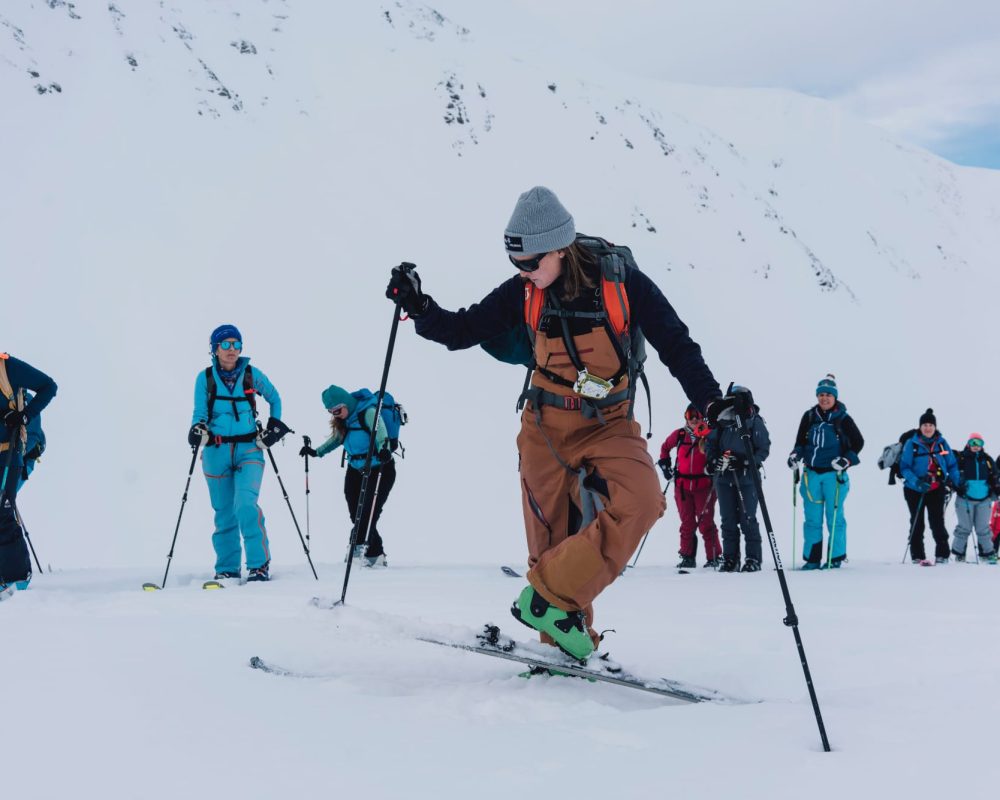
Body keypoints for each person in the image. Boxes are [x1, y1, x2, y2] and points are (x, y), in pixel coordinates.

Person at [385, 186, 722, 660]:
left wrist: (712, 402)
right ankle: (563, 654)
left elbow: (677, 345)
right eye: (516, 264)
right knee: (550, 544)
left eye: (530, 263)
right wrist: (419, 306)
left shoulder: (624, 284)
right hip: (544, 425)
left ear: (560, 248)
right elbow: (462, 330)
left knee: (643, 500)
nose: (523, 273)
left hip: (609, 424)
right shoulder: (525, 290)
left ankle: (543, 598)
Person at [189, 325, 287, 583]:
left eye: (236, 344)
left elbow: (275, 398)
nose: (232, 349)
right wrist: (197, 428)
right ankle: (227, 568)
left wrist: (274, 426)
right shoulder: (206, 378)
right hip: (215, 451)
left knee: (244, 504)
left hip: (250, 449)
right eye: (226, 344)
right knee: (223, 512)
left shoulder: (252, 375)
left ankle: (259, 564)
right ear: (215, 348)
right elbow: (200, 411)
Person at [299, 385, 397, 568]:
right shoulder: (344, 421)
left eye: (337, 409)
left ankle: (357, 548)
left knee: (368, 512)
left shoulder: (368, 412)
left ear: (347, 403)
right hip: (355, 469)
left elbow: (381, 432)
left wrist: (384, 449)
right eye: (331, 411)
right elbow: (336, 439)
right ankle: (376, 555)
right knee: (355, 513)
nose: (335, 414)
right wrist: (315, 452)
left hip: (379, 468)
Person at [786, 375, 864, 569]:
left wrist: (846, 460)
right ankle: (812, 560)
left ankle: (834, 559)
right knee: (812, 519)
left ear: (835, 397)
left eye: (828, 395)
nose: (824, 398)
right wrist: (795, 455)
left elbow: (858, 443)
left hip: (834, 476)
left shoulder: (843, 419)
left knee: (835, 518)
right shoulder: (810, 416)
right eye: (821, 395)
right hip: (811, 474)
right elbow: (800, 443)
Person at [0, 353, 57, 591]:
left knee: (1, 509)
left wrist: (23, 416)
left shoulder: (7, 367)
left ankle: (17, 578)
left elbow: (49, 386)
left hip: (9, 452)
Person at [704, 386, 770, 573]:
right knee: (728, 520)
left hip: (748, 478)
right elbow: (711, 443)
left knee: (748, 518)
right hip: (724, 477)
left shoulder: (753, 421)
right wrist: (714, 460)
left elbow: (763, 448)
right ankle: (730, 558)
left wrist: (745, 461)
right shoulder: (722, 420)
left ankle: (753, 558)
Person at [658, 403, 721, 568]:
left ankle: (714, 557)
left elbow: (719, 451)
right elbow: (665, 448)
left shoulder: (709, 435)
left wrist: (714, 465)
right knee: (687, 523)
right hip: (682, 486)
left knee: (706, 522)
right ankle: (687, 557)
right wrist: (666, 466)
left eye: (697, 415)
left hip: (704, 485)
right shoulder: (679, 434)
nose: (693, 419)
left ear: (702, 417)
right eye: (689, 415)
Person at [898, 409, 960, 564]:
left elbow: (952, 465)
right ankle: (917, 555)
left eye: (931, 425)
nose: (928, 428)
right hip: (914, 489)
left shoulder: (942, 443)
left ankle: (943, 555)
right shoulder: (912, 443)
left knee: (937, 522)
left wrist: (957, 482)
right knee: (917, 522)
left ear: (935, 426)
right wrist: (917, 482)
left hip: (936, 487)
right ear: (920, 426)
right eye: (925, 424)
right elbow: (904, 467)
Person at [951, 433, 998, 564]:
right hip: (965, 499)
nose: (976, 446)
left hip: (984, 499)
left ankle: (987, 554)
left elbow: (994, 476)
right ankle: (959, 554)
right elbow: (953, 475)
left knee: (983, 528)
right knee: (964, 527)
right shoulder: (961, 459)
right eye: (973, 443)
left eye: (979, 443)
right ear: (968, 444)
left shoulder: (987, 460)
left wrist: (996, 488)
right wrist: (957, 486)